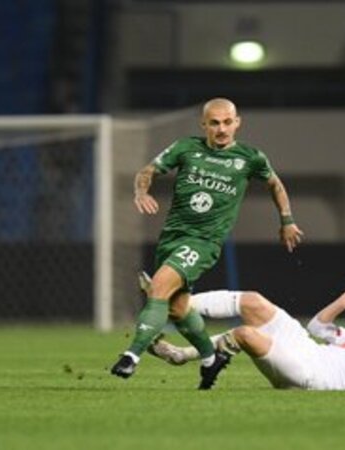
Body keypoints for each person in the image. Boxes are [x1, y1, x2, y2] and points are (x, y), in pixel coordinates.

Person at [110, 98, 304, 389]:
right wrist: (141, 192)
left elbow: (275, 183)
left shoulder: (250, 157)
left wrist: (287, 220)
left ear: (237, 122)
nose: (222, 129)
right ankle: (211, 358)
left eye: (227, 122)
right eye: (214, 123)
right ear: (204, 125)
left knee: (159, 286)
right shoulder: (186, 148)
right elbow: (146, 171)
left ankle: (131, 356)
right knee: (177, 309)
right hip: (171, 238)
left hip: (203, 242)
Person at [147, 283, 345, 390]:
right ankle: (176, 304)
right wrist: (341, 304)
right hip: (308, 350)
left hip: (313, 377)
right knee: (253, 301)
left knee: (244, 334)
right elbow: (317, 329)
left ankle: (182, 354)